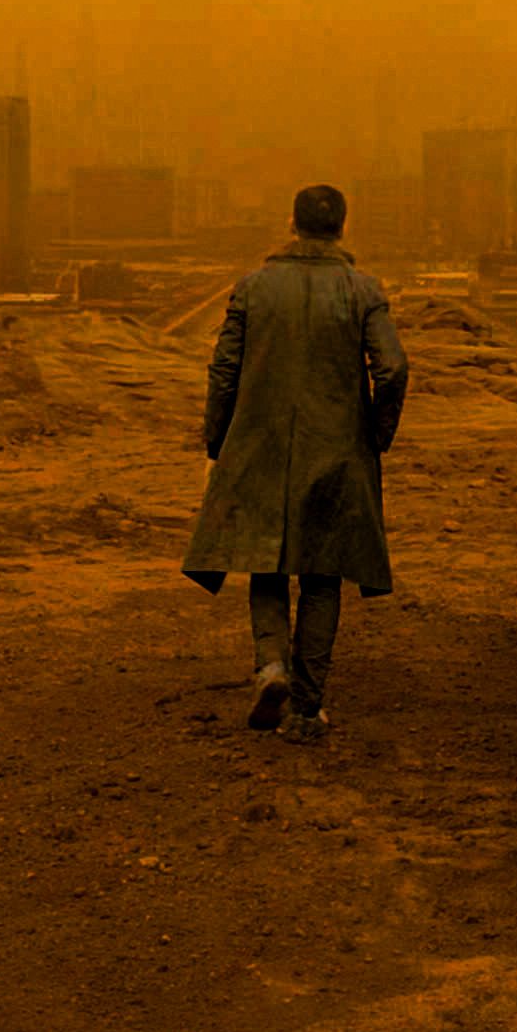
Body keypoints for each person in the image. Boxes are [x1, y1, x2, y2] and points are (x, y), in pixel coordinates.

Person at [181, 183, 408, 742]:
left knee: (266, 563)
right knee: (322, 575)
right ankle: (307, 709)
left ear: (292, 223)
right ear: (342, 227)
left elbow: (223, 370)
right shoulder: (361, 290)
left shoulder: (254, 289)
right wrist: (374, 435)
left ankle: (272, 668)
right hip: (336, 451)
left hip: (259, 447)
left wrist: (218, 440)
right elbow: (393, 369)